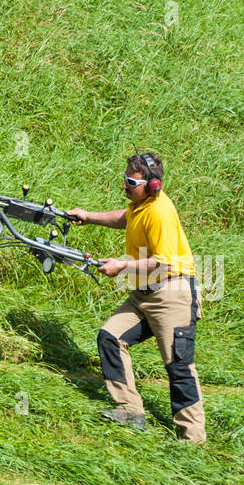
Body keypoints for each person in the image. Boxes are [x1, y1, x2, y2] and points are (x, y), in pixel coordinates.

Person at [67, 153, 205, 443]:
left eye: (131, 182)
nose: (125, 185)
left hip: (172, 294)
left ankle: (193, 439)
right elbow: (125, 217)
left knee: (178, 366)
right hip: (143, 293)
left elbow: (162, 261)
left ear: (151, 184)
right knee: (110, 337)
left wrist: (121, 266)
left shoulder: (159, 213)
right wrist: (88, 217)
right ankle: (130, 410)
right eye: (125, 179)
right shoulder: (141, 205)